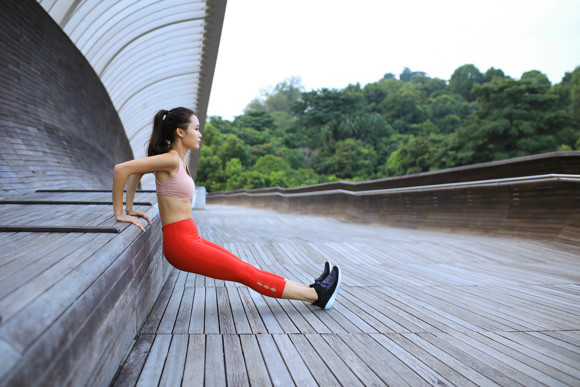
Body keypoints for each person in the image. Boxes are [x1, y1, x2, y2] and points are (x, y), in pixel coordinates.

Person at [112, 107, 342, 309]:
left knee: (245, 267)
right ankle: (316, 296)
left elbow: (138, 171)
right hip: (180, 244)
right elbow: (122, 169)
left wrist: (131, 207)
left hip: (190, 236)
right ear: (180, 132)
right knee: (247, 274)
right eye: (196, 128)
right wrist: (121, 213)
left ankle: (311, 288)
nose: (200, 134)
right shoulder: (171, 159)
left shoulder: (177, 161)